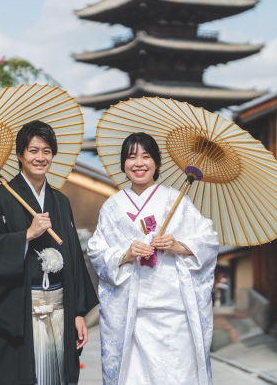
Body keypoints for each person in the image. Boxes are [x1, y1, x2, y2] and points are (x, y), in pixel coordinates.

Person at [0, 120, 98, 385]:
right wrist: (26, 236)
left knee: (56, 377)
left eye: (46, 151)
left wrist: (77, 313)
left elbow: (74, 259)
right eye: (32, 150)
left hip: (60, 310)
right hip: (19, 312)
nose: (40, 157)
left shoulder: (60, 202)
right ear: (20, 155)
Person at [87, 132, 219, 385]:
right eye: (131, 157)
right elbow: (96, 250)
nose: (138, 163)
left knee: (177, 376)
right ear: (123, 165)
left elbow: (209, 240)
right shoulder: (112, 206)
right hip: (131, 315)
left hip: (174, 313)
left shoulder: (176, 201)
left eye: (146, 157)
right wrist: (126, 253)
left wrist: (180, 245)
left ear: (157, 163)